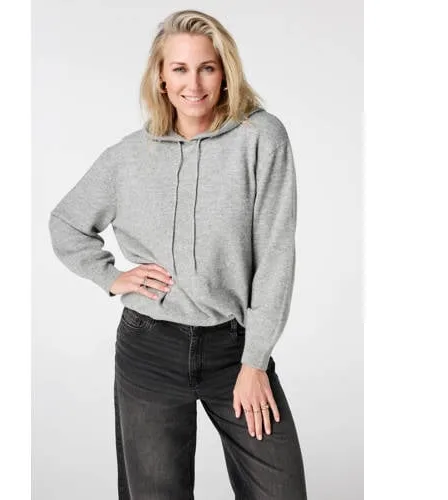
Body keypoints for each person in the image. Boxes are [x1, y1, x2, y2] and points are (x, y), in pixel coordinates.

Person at [48, 9, 307, 500]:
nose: (194, 83)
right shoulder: (128, 156)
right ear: (162, 78)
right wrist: (111, 277)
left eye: (207, 67)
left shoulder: (260, 137)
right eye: (180, 69)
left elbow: (276, 254)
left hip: (236, 350)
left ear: (225, 72)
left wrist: (255, 362)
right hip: (150, 349)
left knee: (280, 491)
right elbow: (65, 223)